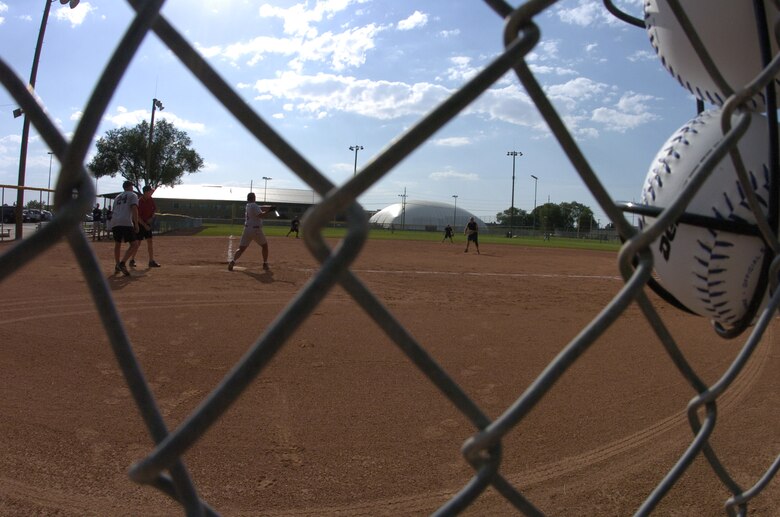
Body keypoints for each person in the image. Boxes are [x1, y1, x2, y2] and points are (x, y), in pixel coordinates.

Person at [229, 192, 273, 271]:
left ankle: (233, 261)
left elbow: (259, 207)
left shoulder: (248, 205)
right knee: (265, 246)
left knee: (241, 249)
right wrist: (268, 211)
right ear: (253, 198)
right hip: (256, 230)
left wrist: (269, 207)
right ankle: (265, 263)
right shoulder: (254, 205)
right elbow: (260, 215)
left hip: (247, 229)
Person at [111, 180, 140, 276]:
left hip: (115, 221)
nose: (133, 188)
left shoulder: (117, 197)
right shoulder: (132, 195)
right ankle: (122, 263)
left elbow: (114, 210)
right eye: (132, 186)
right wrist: (136, 223)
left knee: (117, 243)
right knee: (134, 244)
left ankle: (117, 264)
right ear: (130, 187)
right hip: (126, 222)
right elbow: (134, 209)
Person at [128, 185, 161, 268]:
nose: (151, 193)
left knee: (150, 241)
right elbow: (137, 216)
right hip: (140, 224)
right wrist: (145, 225)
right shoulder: (139, 201)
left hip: (147, 223)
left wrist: (152, 218)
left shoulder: (151, 200)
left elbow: (154, 210)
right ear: (146, 192)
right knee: (137, 243)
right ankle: (132, 260)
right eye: (150, 191)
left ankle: (151, 261)